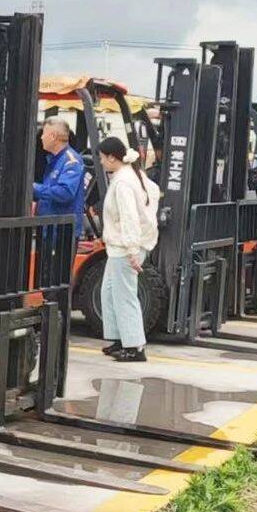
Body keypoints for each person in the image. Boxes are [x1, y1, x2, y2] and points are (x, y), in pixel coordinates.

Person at [97, 136, 159, 362]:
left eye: (102, 158)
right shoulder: (132, 174)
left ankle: (135, 347)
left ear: (112, 158)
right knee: (109, 291)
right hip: (121, 246)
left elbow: (129, 217)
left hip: (125, 247)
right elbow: (153, 192)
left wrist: (133, 249)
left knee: (124, 295)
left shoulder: (123, 182)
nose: (101, 162)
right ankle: (119, 338)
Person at [34, 117, 86, 236]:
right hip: (49, 227)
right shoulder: (53, 160)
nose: (41, 138)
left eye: (44, 134)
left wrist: (34, 188)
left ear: (53, 136)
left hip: (62, 233)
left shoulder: (71, 161)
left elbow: (65, 192)